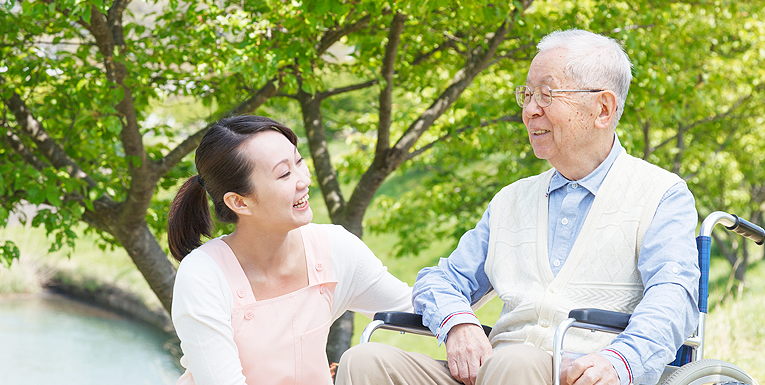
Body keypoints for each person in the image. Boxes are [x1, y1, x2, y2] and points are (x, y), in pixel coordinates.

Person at [335, 29, 700, 385]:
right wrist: (459, 323)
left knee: (516, 362)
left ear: (602, 109)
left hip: (580, 375)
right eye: (526, 95)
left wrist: (620, 362)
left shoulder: (662, 194)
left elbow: (673, 299)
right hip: (495, 371)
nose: (529, 111)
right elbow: (440, 280)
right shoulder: (511, 200)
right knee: (365, 361)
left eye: (545, 95)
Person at [167, 115, 412, 385]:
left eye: (299, 161)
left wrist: (459, 321)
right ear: (239, 202)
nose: (304, 180)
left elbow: (415, 307)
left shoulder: (334, 249)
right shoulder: (204, 275)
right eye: (284, 174)